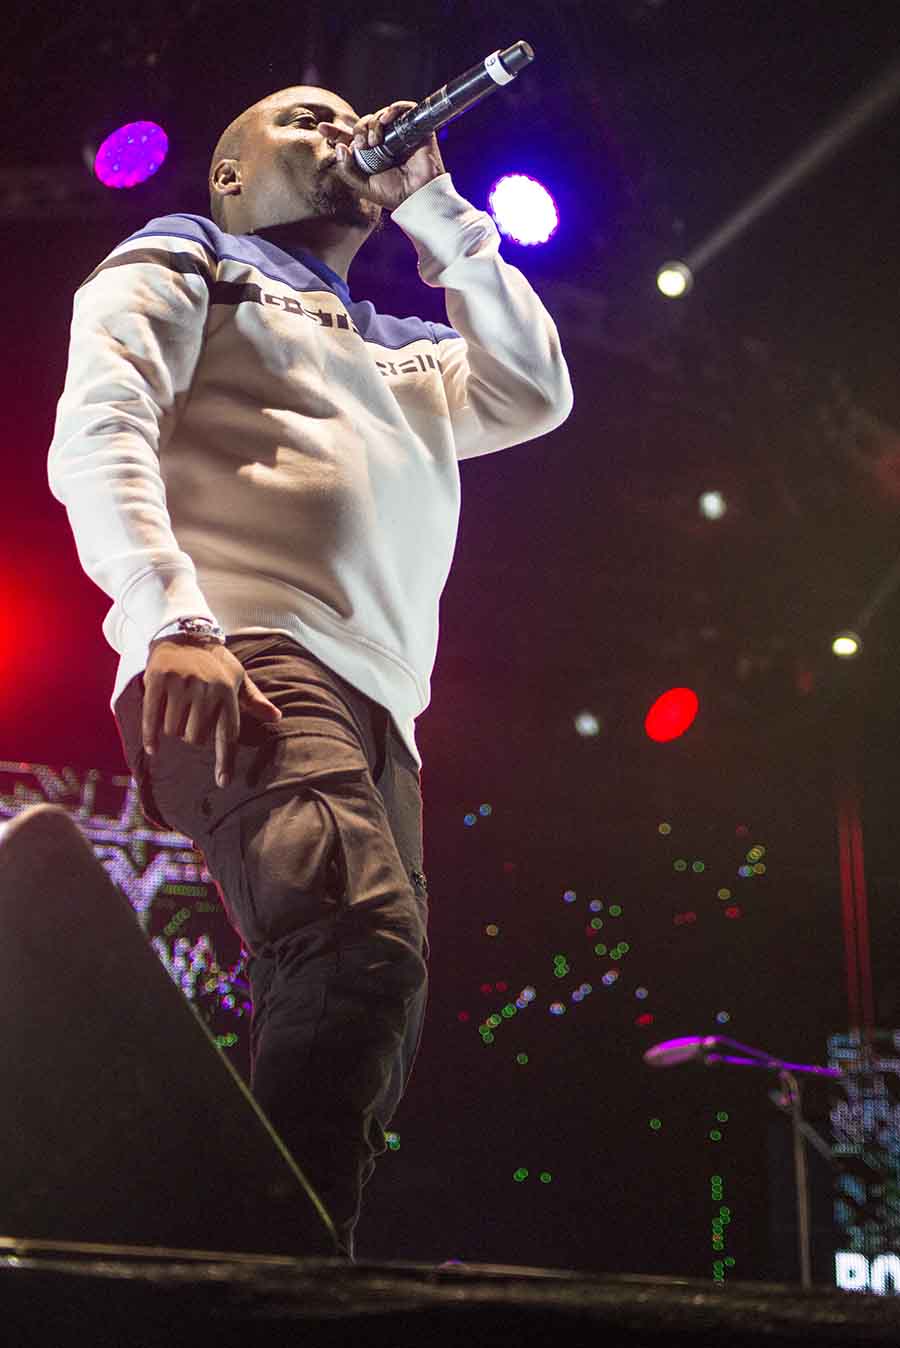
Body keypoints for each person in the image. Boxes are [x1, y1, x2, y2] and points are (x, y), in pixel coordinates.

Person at [47, 82, 573, 1261]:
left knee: (371, 998)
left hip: (380, 706)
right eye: (302, 120)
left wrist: (438, 209)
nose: (340, 131)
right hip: (239, 647)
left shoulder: (404, 348)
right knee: (356, 945)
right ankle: (263, 1283)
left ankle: (267, 1263)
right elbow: (104, 428)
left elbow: (536, 391)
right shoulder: (190, 253)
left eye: (347, 120)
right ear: (230, 175)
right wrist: (172, 616)